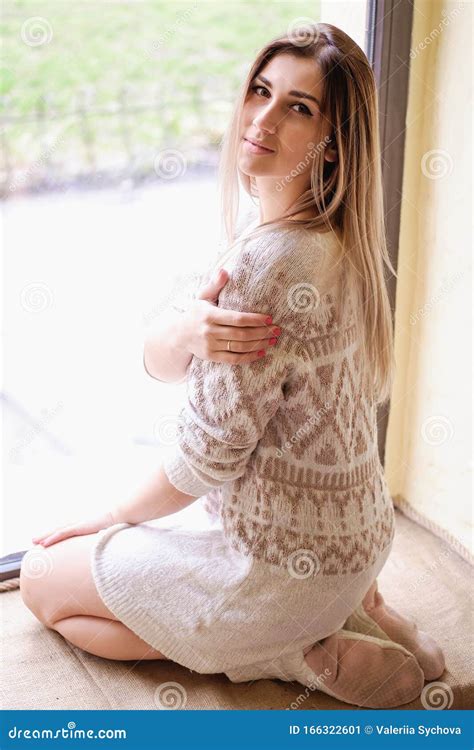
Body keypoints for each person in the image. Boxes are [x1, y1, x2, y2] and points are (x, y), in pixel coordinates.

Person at [20, 22, 445, 708]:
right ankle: (354, 612)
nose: (262, 118)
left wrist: (106, 517)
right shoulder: (335, 242)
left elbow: (203, 463)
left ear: (334, 148)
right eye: (260, 90)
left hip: (281, 569)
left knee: (43, 582)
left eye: (299, 108)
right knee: (142, 546)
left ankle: (287, 653)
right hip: (354, 543)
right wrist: (187, 326)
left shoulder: (266, 267)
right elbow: (161, 364)